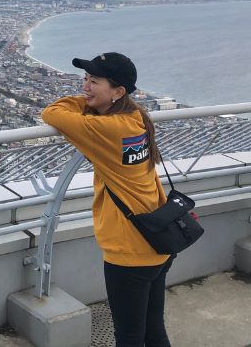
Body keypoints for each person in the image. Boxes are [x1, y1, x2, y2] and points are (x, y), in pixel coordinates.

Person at [41, 53, 173, 347]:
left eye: (94, 81)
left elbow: (53, 113)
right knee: (152, 331)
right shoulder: (134, 117)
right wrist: (95, 99)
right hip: (157, 239)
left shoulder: (109, 129)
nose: (85, 86)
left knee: (128, 337)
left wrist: (83, 102)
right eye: (85, 79)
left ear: (119, 92)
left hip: (130, 250)